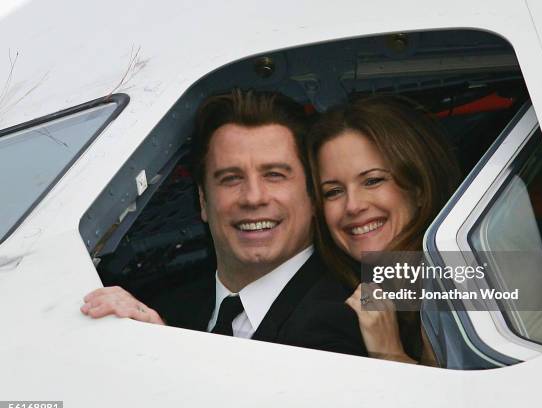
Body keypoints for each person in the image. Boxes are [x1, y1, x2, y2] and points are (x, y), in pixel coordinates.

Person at [81, 89, 367, 356]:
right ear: (203, 201)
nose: (253, 198)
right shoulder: (164, 305)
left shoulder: (360, 309)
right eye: (231, 178)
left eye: (275, 175)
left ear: (313, 195)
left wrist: (166, 355)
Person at [307, 95, 461, 364]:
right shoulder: (330, 308)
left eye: (373, 180)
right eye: (333, 192)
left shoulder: (468, 278)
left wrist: (390, 353)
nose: (353, 206)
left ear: (420, 189)